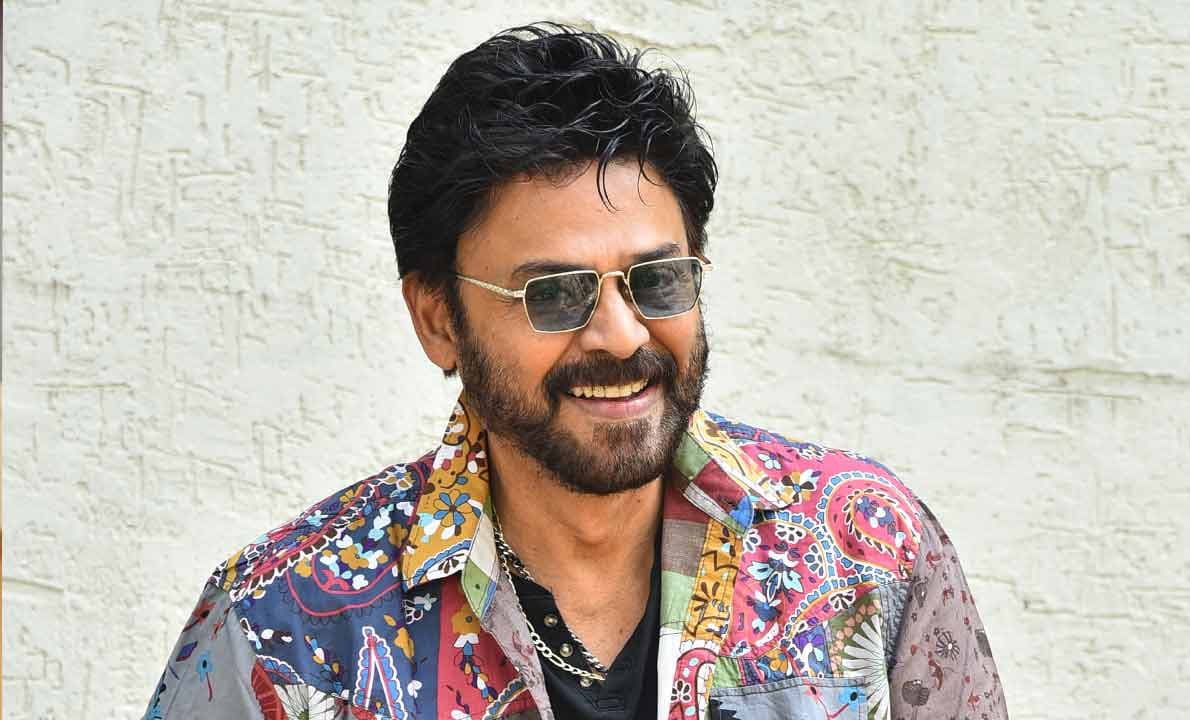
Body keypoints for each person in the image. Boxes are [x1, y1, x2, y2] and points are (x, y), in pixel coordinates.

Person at [143, 23, 1006, 720]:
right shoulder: (283, 627)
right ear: (438, 319)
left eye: (657, 279)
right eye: (555, 294)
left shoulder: (868, 554)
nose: (621, 336)